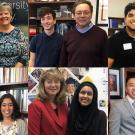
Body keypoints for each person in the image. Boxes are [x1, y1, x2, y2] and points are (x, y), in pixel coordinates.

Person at [59, 0, 108, 67]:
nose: (82, 16)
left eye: (86, 12)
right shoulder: (67, 35)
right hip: (73, 75)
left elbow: (105, 62)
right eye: (79, 13)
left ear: (91, 15)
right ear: (74, 16)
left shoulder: (101, 34)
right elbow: (63, 62)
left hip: (94, 76)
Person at [28, 69, 68, 135]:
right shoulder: (35, 106)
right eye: (49, 82)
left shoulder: (63, 105)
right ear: (43, 85)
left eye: (56, 82)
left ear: (61, 85)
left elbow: (66, 130)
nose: (53, 85)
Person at [0, 2, 28, 67]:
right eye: (0, 14)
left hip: (16, 70)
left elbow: (24, 54)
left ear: (11, 16)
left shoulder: (18, 32)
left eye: (6, 13)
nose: (3, 16)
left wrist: (16, 68)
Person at [108, 2, 135, 68]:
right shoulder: (114, 40)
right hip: (122, 77)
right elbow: (108, 66)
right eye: (131, 15)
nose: (134, 19)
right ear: (125, 19)